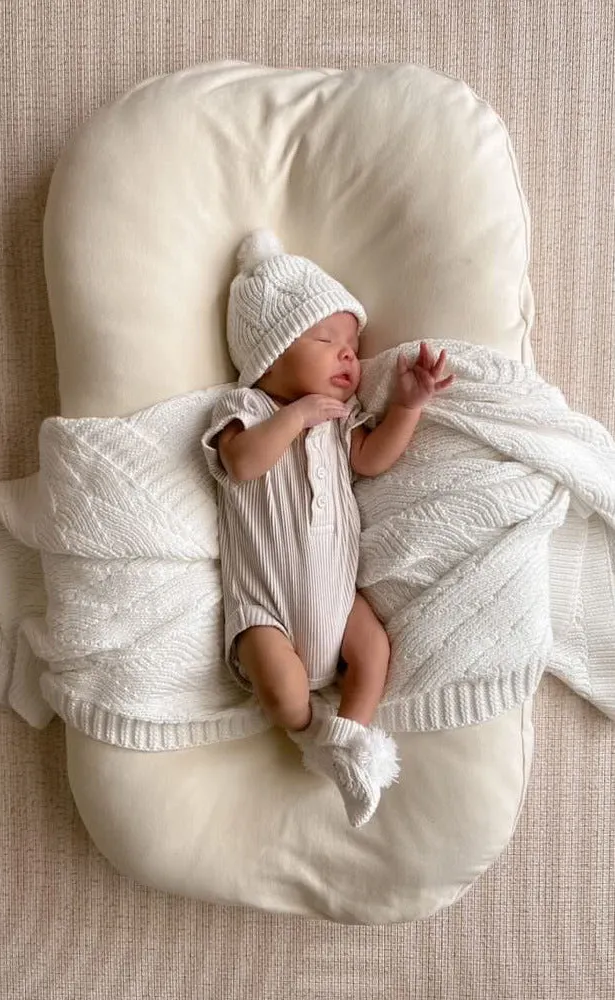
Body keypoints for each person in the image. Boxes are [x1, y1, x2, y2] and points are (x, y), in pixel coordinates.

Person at [202, 230, 454, 826]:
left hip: (340, 598)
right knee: (284, 697)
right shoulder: (245, 412)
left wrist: (406, 406)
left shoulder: (341, 424)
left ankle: (353, 743)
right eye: (328, 340)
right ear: (271, 354)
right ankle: (310, 730)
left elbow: (372, 460)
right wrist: (297, 415)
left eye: (353, 345)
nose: (349, 355)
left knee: (372, 651)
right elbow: (241, 463)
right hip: (266, 608)